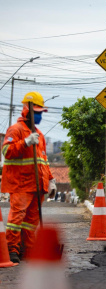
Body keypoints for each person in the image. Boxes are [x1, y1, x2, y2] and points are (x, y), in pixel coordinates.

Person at [1, 91, 56, 263]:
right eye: (37, 112)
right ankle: (11, 249)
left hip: (37, 185)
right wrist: (24, 143)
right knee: (16, 219)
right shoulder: (16, 130)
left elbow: (43, 160)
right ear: (27, 111)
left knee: (30, 221)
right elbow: (6, 152)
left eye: (41, 113)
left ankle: (27, 249)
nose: (39, 115)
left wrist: (51, 179)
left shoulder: (38, 135)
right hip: (20, 184)